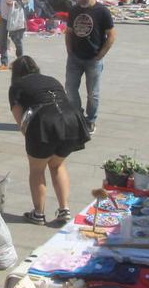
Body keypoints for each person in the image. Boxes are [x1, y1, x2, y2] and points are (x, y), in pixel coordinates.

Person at [9, 56, 90, 226]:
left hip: (44, 122)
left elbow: (20, 120)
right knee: (57, 165)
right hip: (71, 121)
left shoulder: (16, 86)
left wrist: (33, 141)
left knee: (37, 169)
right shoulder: (51, 80)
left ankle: (38, 214)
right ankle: (64, 209)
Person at [65, 0, 115, 134]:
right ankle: (78, 117)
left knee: (93, 94)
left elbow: (111, 34)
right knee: (70, 89)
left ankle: (91, 120)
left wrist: (101, 54)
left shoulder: (102, 11)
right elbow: (69, 32)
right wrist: (69, 51)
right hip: (75, 58)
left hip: (93, 59)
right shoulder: (74, 10)